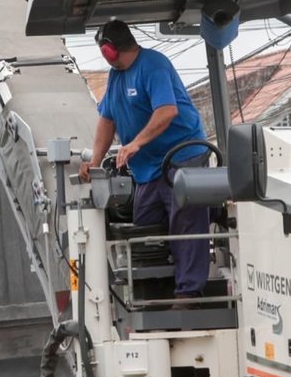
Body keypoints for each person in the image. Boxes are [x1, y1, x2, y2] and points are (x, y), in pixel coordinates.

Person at [79, 20, 211, 306]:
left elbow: (167, 110)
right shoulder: (116, 75)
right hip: (149, 169)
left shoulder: (154, 65)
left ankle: (188, 294)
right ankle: (155, 292)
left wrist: (136, 143)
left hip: (183, 159)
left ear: (108, 50)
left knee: (185, 223)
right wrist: (96, 160)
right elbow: (107, 119)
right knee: (145, 227)